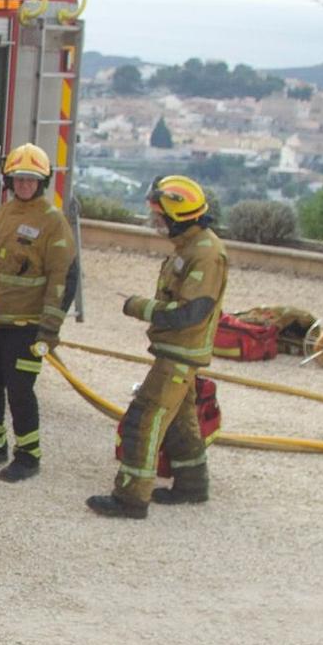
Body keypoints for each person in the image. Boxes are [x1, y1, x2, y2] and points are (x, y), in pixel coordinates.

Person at [88, 175, 229, 519]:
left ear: (179, 218)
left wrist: (138, 307)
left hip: (180, 353)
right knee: (181, 421)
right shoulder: (191, 247)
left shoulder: (206, 254)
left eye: (160, 218)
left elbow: (190, 312)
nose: (156, 224)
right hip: (177, 351)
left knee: (144, 419)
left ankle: (130, 498)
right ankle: (192, 484)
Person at [0, 143, 77, 481]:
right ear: (9, 180)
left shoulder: (52, 222)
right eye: (19, 179)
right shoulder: (4, 212)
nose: (24, 185)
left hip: (26, 327)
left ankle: (28, 455)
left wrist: (49, 330)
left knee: (20, 390)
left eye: (31, 180)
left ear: (41, 183)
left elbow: (63, 277)